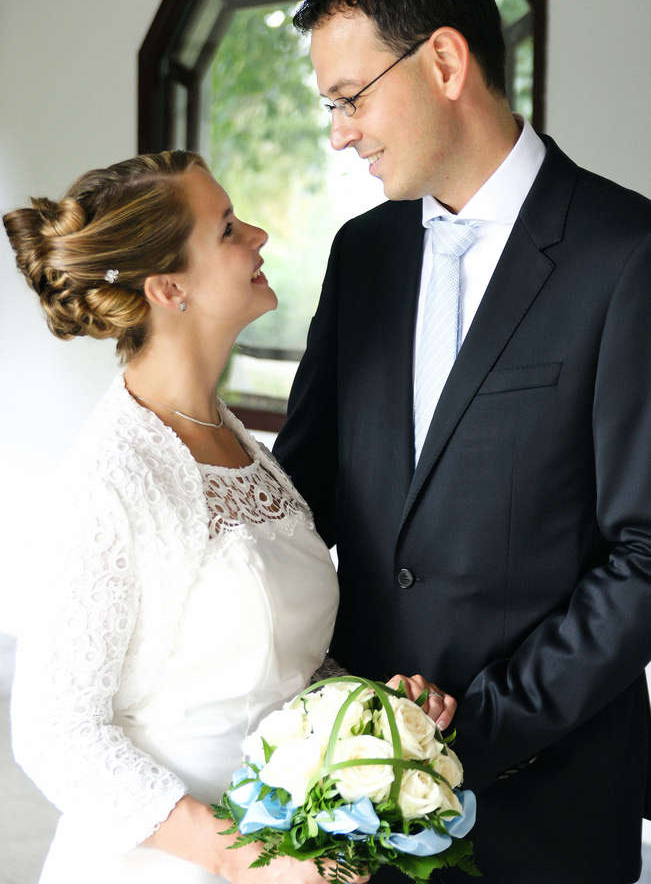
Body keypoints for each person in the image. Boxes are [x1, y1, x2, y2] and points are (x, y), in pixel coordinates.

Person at [273, 0, 651, 884]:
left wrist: (467, 731)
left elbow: (645, 548)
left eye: (351, 97)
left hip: (548, 797)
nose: (341, 131)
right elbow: (300, 489)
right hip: (351, 791)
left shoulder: (627, 252)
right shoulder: (361, 255)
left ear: (443, 61)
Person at [4, 151, 387, 883]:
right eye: (227, 229)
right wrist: (244, 858)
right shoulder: (109, 480)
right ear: (168, 287)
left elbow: (265, 665)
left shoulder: (231, 438)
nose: (259, 236)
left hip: (286, 841)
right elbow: (53, 734)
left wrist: (370, 716)